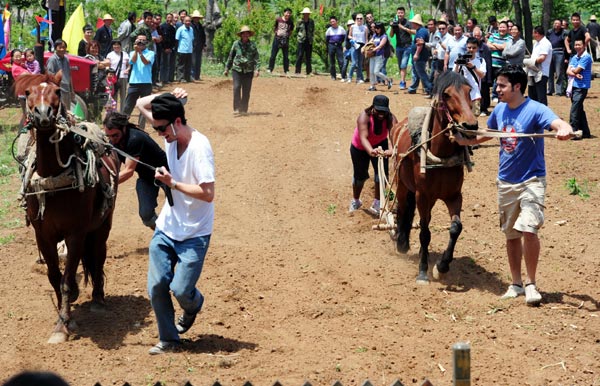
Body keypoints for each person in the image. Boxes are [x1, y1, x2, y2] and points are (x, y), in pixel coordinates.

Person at [453, 64, 574, 306]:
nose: (496, 89)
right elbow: (490, 133)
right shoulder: (499, 110)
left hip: (532, 180)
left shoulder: (536, 109)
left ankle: (531, 284)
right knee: (511, 235)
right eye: (497, 85)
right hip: (506, 181)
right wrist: (463, 140)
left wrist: (565, 129)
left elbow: (557, 123)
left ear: (517, 86)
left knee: (529, 228)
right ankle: (516, 284)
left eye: (501, 85)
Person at [136, 90, 215, 355]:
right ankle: (169, 339)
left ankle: (193, 304)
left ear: (177, 122)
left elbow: (207, 193)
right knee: (157, 285)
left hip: (195, 232)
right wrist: (169, 94)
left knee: (181, 290)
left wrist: (173, 183)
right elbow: (140, 103)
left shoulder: (200, 147)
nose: (159, 133)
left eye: (161, 128)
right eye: (156, 128)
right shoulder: (170, 135)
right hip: (168, 227)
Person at [103, 111, 168, 229]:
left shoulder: (135, 139)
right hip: (147, 178)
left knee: (180, 210)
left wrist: (106, 183)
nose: (112, 139)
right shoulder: (114, 142)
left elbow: (128, 171)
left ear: (123, 128)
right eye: (109, 136)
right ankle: (164, 235)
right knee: (147, 216)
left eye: (115, 135)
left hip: (167, 174)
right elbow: (114, 169)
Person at [349, 94, 398, 214]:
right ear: (373, 108)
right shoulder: (364, 117)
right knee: (360, 177)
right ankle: (356, 200)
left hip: (380, 144)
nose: (381, 114)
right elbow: (363, 138)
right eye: (378, 111)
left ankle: (377, 202)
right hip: (360, 148)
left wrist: (391, 149)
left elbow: (394, 135)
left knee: (381, 175)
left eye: (384, 111)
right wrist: (371, 151)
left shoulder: (391, 118)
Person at [224, 25, 260, 116]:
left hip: (248, 71)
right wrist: (227, 68)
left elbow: (256, 58)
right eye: (243, 34)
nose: (245, 35)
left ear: (249, 35)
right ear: (241, 35)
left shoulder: (253, 45)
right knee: (236, 88)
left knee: (246, 90)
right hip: (237, 69)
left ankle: (244, 109)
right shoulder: (236, 44)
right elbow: (231, 56)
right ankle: (236, 108)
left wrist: (257, 69)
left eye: (247, 34)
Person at [122, 34, 155, 129]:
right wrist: (137, 51)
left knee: (144, 108)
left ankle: (141, 128)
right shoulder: (132, 52)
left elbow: (145, 62)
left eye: (143, 41)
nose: (141, 42)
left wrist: (140, 52)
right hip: (134, 83)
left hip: (146, 83)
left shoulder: (151, 53)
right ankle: (122, 125)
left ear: (147, 42)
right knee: (128, 106)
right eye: (139, 40)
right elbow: (132, 61)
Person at [567, 39, 592, 139]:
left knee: (575, 109)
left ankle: (574, 131)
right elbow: (567, 71)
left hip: (582, 87)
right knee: (579, 109)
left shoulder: (586, 57)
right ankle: (585, 132)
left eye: (579, 45)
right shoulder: (574, 57)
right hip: (573, 85)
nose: (577, 46)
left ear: (584, 46)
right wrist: (575, 74)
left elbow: (577, 69)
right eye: (576, 45)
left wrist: (573, 71)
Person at [454, 37, 486, 115]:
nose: (471, 50)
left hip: (475, 93)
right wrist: (457, 65)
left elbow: (482, 75)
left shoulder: (481, 60)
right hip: (462, 93)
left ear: (477, 48)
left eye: (474, 48)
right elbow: (454, 75)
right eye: (469, 47)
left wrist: (473, 67)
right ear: (466, 47)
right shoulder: (461, 58)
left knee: (474, 116)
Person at [406, 14, 432, 98]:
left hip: (420, 56)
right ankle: (413, 88)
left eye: (413, 22)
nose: (411, 24)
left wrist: (417, 54)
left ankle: (429, 89)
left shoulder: (421, 31)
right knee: (416, 73)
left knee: (421, 73)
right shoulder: (419, 30)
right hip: (419, 55)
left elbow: (420, 44)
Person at [525, 26, 552, 106]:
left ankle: (543, 115)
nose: (532, 35)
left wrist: (530, 61)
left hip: (541, 73)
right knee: (532, 95)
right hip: (533, 72)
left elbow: (542, 58)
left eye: (533, 33)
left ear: (537, 33)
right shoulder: (537, 43)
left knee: (541, 97)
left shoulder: (545, 43)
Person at [46, 39, 74, 111]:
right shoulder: (52, 60)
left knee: (67, 111)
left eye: (64, 47)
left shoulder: (66, 59)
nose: (62, 49)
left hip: (66, 89)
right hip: (58, 91)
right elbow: (50, 76)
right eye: (60, 47)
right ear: (55, 48)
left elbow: (69, 75)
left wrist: (72, 90)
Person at [388, 7, 412, 89]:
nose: (400, 14)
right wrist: (392, 27)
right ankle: (403, 80)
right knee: (400, 65)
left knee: (403, 64)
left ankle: (402, 82)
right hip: (398, 47)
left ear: (404, 13)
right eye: (398, 13)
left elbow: (413, 32)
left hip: (407, 46)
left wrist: (402, 27)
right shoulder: (395, 23)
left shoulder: (408, 22)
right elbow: (391, 35)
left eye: (401, 13)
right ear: (397, 13)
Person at [487, 21, 510, 103]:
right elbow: (488, 44)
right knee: (490, 81)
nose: (502, 29)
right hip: (491, 63)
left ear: (507, 29)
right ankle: (491, 98)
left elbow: (504, 47)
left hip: (502, 64)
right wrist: (499, 46)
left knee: (498, 81)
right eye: (500, 27)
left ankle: (495, 95)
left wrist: (494, 44)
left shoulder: (509, 38)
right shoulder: (493, 35)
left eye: (504, 27)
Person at [366, 22, 392, 91]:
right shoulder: (374, 35)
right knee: (371, 71)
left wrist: (373, 49)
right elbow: (370, 42)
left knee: (376, 72)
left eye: (377, 28)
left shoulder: (384, 36)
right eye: (375, 28)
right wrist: (365, 48)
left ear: (381, 28)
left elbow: (380, 46)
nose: (376, 30)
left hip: (379, 56)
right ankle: (372, 86)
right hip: (372, 56)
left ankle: (388, 79)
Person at [267, 8, 294, 75]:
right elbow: (275, 27)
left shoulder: (290, 22)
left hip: (285, 40)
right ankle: (270, 69)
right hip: (277, 39)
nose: (288, 14)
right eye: (287, 12)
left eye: (289, 13)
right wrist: (277, 34)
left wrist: (286, 36)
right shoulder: (278, 19)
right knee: (273, 55)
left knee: (286, 56)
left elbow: (291, 31)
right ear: (284, 13)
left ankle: (286, 70)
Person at [474, 26, 493, 116]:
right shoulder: (470, 47)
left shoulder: (485, 48)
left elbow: (489, 64)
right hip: (473, 74)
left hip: (483, 73)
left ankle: (484, 109)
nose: (476, 37)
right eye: (475, 35)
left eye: (478, 36)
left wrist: (489, 78)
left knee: (484, 92)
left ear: (481, 37)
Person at [106, 40, 130, 112]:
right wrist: (108, 75)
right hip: (113, 78)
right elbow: (107, 66)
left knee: (123, 95)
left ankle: (122, 112)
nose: (116, 46)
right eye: (114, 45)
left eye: (118, 45)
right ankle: (114, 111)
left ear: (120, 46)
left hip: (123, 77)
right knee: (113, 95)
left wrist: (127, 70)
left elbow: (128, 65)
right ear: (112, 46)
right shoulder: (110, 55)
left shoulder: (125, 54)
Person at [546, 19, 567, 96]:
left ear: (561, 25)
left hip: (560, 52)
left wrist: (566, 57)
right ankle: (550, 90)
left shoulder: (564, 32)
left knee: (559, 73)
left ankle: (559, 91)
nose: (556, 25)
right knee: (549, 72)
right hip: (550, 52)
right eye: (555, 23)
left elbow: (566, 43)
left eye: (558, 23)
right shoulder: (549, 32)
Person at [348, 13, 367, 84]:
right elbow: (349, 36)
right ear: (355, 19)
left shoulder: (365, 28)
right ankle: (349, 77)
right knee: (354, 63)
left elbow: (366, 39)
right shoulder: (352, 27)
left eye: (361, 18)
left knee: (360, 63)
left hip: (362, 46)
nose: (359, 20)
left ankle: (358, 78)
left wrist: (365, 47)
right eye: (357, 18)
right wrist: (352, 39)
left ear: (363, 19)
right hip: (354, 45)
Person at [294, 8, 314, 75]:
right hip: (301, 40)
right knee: (299, 55)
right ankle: (297, 71)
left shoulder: (311, 21)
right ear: (303, 14)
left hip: (309, 41)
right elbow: (296, 30)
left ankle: (309, 71)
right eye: (305, 14)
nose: (306, 15)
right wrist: (300, 36)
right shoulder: (299, 21)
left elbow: (312, 30)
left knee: (308, 56)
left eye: (307, 14)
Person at [325, 16, 346, 81]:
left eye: (333, 21)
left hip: (339, 46)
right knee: (332, 62)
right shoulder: (329, 30)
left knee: (341, 61)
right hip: (331, 45)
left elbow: (344, 38)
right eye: (331, 22)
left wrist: (341, 43)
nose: (332, 23)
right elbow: (327, 39)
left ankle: (343, 76)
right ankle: (333, 76)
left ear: (337, 21)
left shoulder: (341, 29)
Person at [160, 13, 177, 85]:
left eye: (171, 17)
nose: (169, 19)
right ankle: (161, 79)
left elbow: (174, 39)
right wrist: (164, 48)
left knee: (168, 64)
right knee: (163, 64)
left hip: (170, 49)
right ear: (166, 18)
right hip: (163, 48)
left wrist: (171, 48)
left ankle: (167, 79)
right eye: (168, 17)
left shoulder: (173, 28)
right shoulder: (162, 27)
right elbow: (161, 38)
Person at [176, 16, 194, 83]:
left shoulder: (191, 29)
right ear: (183, 21)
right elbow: (177, 40)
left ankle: (187, 77)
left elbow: (192, 39)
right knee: (181, 65)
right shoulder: (180, 29)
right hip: (182, 50)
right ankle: (180, 78)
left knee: (188, 65)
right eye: (186, 21)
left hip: (189, 50)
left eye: (189, 21)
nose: (188, 22)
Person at [190, 10, 206, 81]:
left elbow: (203, 36)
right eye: (195, 17)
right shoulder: (190, 26)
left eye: (197, 18)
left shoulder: (200, 26)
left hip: (199, 46)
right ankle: (192, 76)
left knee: (198, 61)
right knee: (193, 62)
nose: (196, 19)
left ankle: (197, 76)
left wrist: (204, 45)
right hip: (192, 46)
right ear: (193, 18)